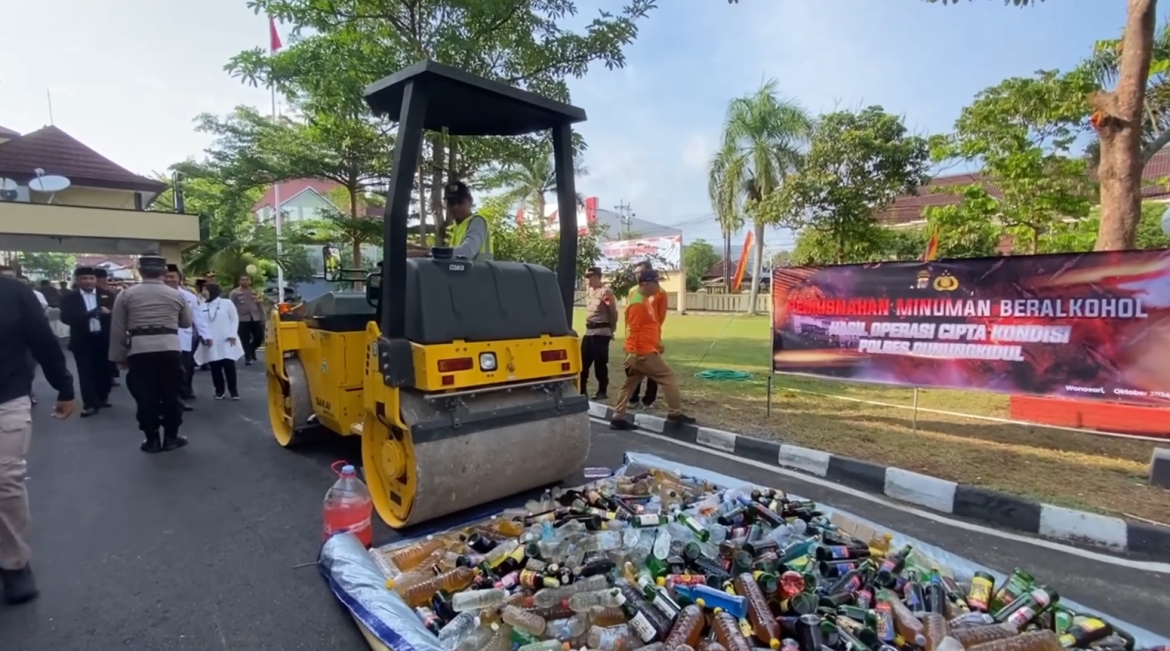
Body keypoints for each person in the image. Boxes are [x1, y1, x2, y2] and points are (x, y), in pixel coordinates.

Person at [0, 273, 75, 605]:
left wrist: (64, 385)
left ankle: (13, 563)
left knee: (4, 480)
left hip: (7, 397)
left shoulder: (14, 293)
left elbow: (42, 339)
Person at [109, 256, 192, 453]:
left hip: (140, 349)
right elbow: (186, 323)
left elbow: (118, 329)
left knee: (145, 396)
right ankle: (171, 437)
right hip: (170, 348)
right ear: (163, 271)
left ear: (140, 270)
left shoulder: (126, 295)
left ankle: (152, 440)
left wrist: (119, 356)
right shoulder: (177, 295)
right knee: (172, 394)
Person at [610, 269, 695, 430]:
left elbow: (650, 326)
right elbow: (632, 329)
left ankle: (617, 417)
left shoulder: (645, 300)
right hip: (643, 352)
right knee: (667, 376)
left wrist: (656, 343)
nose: (658, 286)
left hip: (645, 349)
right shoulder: (637, 303)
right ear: (646, 283)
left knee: (630, 383)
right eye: (656, 282)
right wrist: (632, 352)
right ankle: (675, 413)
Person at [59, 266, 114, 417]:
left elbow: (118, 316)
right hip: (82, 341)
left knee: (104, 371)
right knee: (86, 373)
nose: (88, 281)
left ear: (96, 280)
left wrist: (108, 314)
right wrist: (87, 315)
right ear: (77, 280)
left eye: (91, 278)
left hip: (104, 339)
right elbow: (65, 318)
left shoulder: (108, 295)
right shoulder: (68, 298)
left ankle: (103, 397)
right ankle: (89, 403)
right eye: (84, 278)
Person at [165, 264, 209, 409]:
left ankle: (179, 398)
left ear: (179, 279)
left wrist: (205, 335)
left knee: (183, 370)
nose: (169, 279)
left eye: (172, 276)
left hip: (183, 339)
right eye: (166, 276)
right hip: (162, 340)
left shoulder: (189, 297)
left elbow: (198, 317)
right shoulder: (156, 295)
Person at [194, 284, 243, 400]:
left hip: (227, 339)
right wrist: (203, 337)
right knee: (215, 366)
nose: (204, 292)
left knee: (229, 365)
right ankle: (219, 390)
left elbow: (234, 319)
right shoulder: (201, 305)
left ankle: (233, 391)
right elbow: (199, 322)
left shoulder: (227, 303)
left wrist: (232, 334)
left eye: (206, 290)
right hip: (211, 340)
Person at [626, 261, 664, 409]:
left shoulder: (659, 293)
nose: (637, 276)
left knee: (654, 372)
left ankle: (649, 400)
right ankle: (631, 399)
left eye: (640, 273)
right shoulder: (634, 293)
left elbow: (660, 317)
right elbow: (631, 320)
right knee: (634, 372)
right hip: (635, 338)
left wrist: (655, 337)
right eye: (636, 274)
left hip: (651, 338)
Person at [580, 266, 618, 399]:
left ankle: (602, 391)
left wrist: (611, 329)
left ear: (596, 277)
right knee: (583, 363)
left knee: (600, 363)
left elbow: (612, 312)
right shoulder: (591, 292)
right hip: (589, 332)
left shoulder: (605, 292)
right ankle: (582, 390)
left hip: (601, 333)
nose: (588, 281)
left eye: (589, 278)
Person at [440, 181, 493, 261]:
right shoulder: (457, 227)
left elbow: (465, 254)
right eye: (451, 203)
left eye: (460, 201)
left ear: (470, 201)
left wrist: (433, 253)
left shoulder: (477, 222)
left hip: (480, 273)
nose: (455, 207)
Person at [229, 275, 265, 366]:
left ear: (250, 282)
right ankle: (248, 357)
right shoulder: (235, 293)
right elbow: (231, 306)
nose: (245, 281)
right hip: (242, 319)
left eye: (246, 280)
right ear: (239, 282)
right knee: (244, 339)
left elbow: (260, 305)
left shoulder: (254, 292)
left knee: (259, 336)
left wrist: (263, 317)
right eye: (243, 280)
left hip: (255, 317)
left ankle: (251, 349)